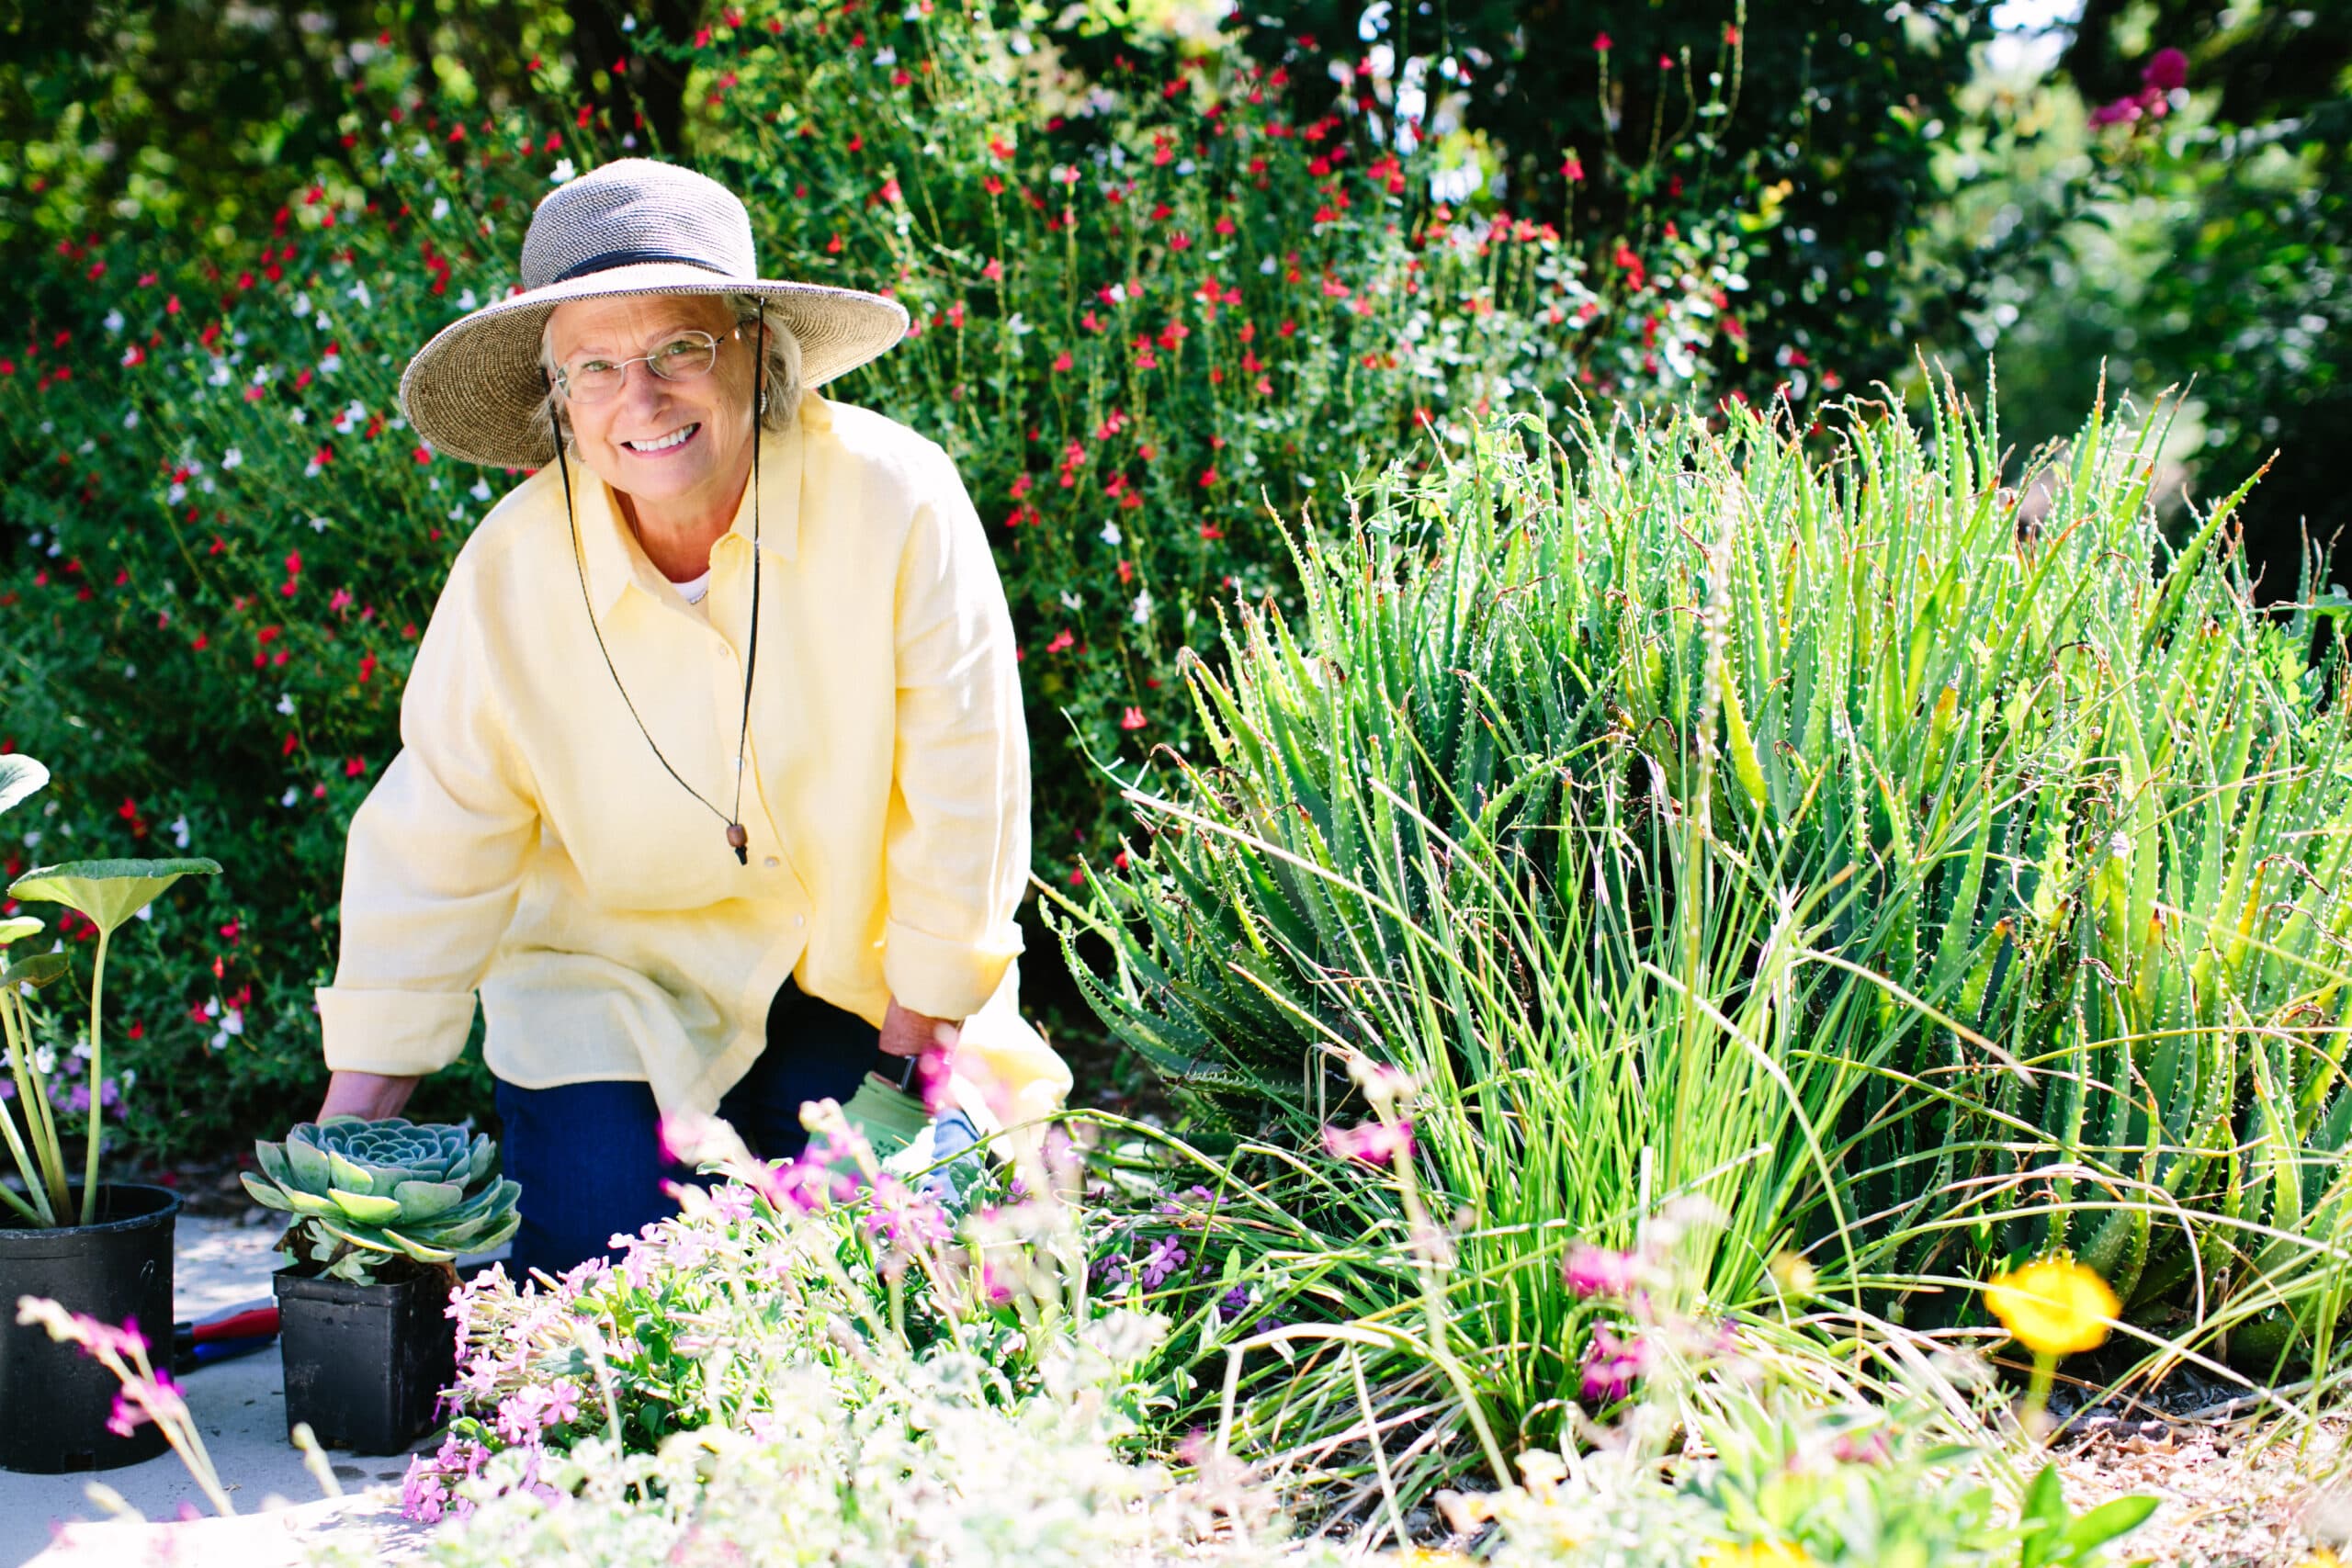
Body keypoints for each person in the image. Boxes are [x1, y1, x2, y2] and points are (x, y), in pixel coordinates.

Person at [311, 158, 1069, 1279]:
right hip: (611, 990)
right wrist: (347, 1156)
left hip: (860, 984)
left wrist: (924, 1053)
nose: (642, 398)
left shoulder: (897, 498)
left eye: (679, 349)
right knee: (599, 1266)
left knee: (899, 1264)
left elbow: (968, 781)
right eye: (596, 368)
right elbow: (437, 837)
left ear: (759, 349)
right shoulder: (510, 569)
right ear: (556, 400)